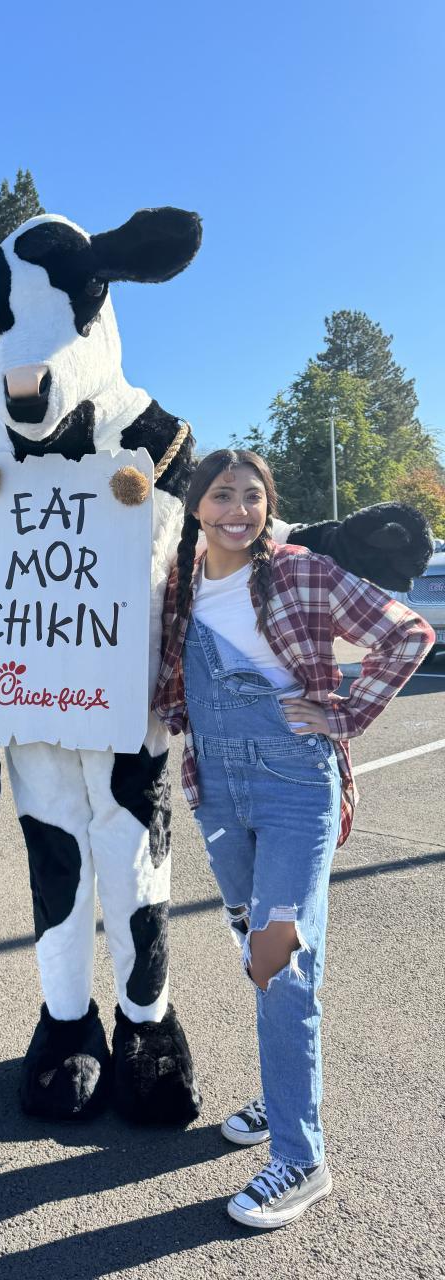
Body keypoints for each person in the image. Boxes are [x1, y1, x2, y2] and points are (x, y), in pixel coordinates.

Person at [152, 449, 433, 1229]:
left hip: (293, 789)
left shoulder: (303, 571)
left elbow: (407, 635)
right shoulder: (178, 587)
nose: (238, 510)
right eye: (222, 495)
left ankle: (302, 1160)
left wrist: (342, 714)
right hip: (217, 792)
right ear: (196, 507)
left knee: (282, 962)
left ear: (268, 506)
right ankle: (284, 1098)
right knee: (261, 958)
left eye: (253, 496)